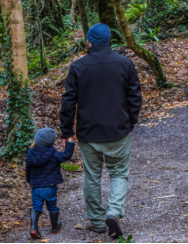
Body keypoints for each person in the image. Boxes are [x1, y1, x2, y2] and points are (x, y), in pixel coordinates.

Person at [60, 23, 143, 239]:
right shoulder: (125, 63)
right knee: (118, 174)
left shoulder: (78, 67)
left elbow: (68, 101)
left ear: (89, 41)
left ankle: (97, 222)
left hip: (89, 133)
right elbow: (135, 97)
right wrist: (130, 122)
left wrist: (67, 131)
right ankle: (114, 212)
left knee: (92, 177)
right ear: (109, 41)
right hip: (118, 130)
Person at [26, 128, 76, 239]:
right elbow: (66, 155)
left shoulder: (30, 154)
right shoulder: (54, 154)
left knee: (36, 207)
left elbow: (28, 169)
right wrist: (70, 142)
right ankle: (55, 226)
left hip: (36, 187)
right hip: (50, 187)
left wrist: (29, 180)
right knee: (52, 206)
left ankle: (34, 228)